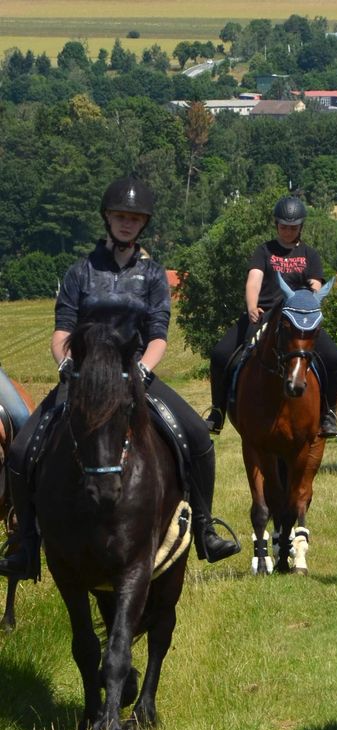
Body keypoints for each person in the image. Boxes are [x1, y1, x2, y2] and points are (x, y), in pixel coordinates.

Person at [0, 175, 239, 581]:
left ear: (143, 224)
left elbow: (159, 334)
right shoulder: (80, 272)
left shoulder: (153, 275)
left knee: (198, 437)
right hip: (83, 379)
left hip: (134, 376)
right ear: (107, 218)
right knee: (23, 451)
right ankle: (25, 544)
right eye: (120, 216)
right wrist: (66, 365)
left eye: (135, 218)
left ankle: (205, 529)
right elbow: (62, 331)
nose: (127, 223)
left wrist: (142, 369)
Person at [205, 195, 337, 438]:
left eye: (293, 227)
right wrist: (252, 306)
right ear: (276, 224)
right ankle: (218, 411)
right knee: (220, 354)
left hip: (298, 319)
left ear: (301, 227)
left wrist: (308, 305)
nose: (288, 231)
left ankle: (328, 414)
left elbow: (315, 286)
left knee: (333, 358)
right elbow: (254, 280)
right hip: (264, 315)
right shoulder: (264, 251)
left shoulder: (310, 255)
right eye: (283, 226)